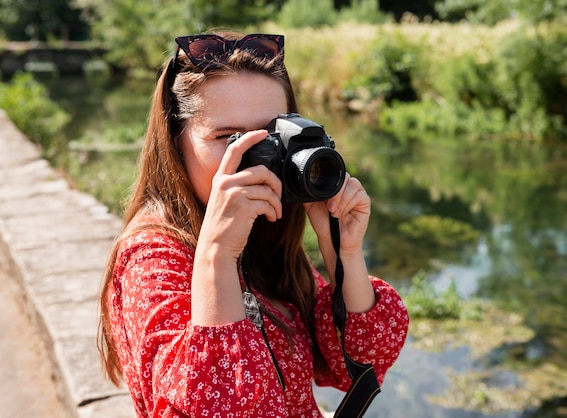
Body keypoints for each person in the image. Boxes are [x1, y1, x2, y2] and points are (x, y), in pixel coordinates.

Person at [97, 30, 409, 417]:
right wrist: (217, 257)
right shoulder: (152, 259)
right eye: (230, 138)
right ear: (176, 141)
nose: (257, 160)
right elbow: (218, 407)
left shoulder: (264, 238)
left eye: (270, 137)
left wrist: (340, 248)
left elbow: (361, 362)